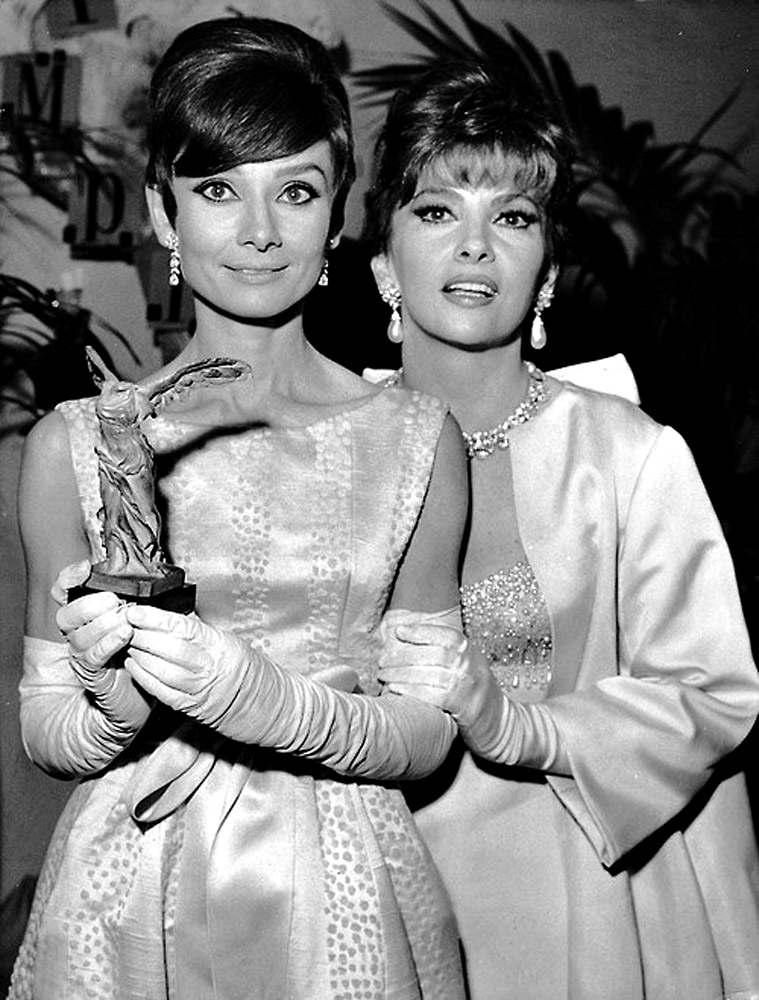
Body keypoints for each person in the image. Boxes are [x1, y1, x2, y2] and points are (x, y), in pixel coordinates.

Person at [8, 19, 470, 1000]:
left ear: (336, 214)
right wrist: (115, 709)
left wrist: (273, 708)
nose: (260, 231)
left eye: (295, 190)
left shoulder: (419, 439)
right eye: (218, 189)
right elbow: (44, 728)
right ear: (162, 212)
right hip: (130, 889)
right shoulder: (73, 445)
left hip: (344, 890)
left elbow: (432, 731)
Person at [363, 60, 759, 1000]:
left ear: (545, 270)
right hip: (367, 888)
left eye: (511, 217)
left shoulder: (627, 453)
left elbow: (710, 692)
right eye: (435, 211)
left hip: (580, 895)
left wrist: (525, 729)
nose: (474, 246)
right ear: (382, 265)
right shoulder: (322, 450)